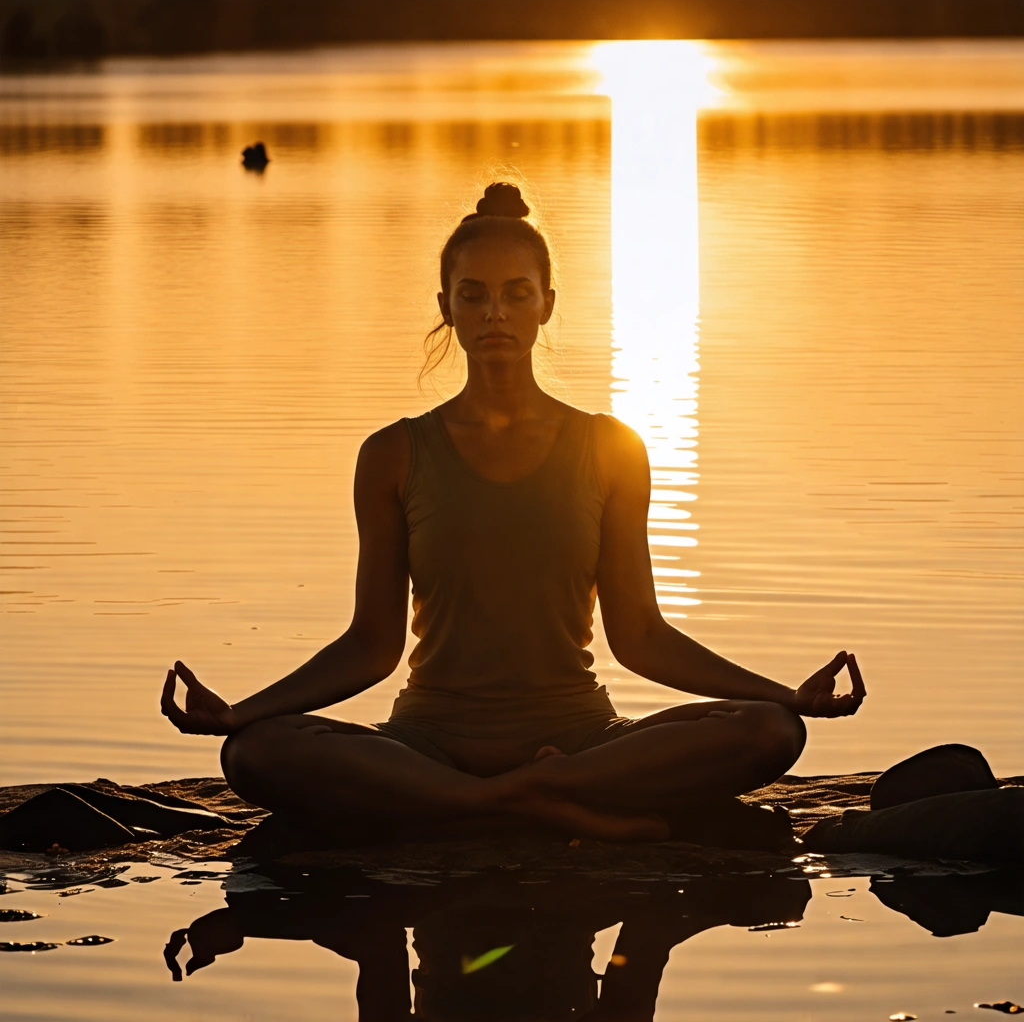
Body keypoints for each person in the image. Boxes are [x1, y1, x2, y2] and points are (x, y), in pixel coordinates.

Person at [161, 182, 865, 842]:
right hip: (428, 746)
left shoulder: (611, 448)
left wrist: (785, 696)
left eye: (514, 293)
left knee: (769, 731)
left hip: (581, 741)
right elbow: (372, 647)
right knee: (254, 752)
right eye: (474, 295)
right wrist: (240, 713)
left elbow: (642, 637)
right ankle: (504, 800)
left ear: (546, 303)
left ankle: (536, 786)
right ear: (447, 306)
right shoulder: (393, 455)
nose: (495, 312)